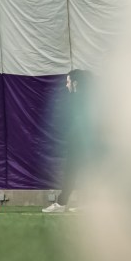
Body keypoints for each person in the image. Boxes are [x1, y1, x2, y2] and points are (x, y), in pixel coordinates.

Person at [43, 69, 89, 213]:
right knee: (71, 172)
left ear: (75, 83)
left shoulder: (84, 99)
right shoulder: (76, 98)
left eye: (68, 82)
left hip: (84, 144)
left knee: (83, 172)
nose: (66, 85)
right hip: (77, 144)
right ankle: (62, 204)